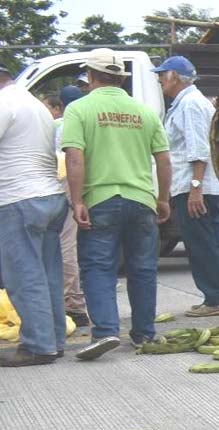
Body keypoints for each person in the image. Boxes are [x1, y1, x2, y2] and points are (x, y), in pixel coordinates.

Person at [62, 49, 172, 360]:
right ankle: (144, 333)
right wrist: (162, 198)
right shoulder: (144, 112)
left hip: (101, 200)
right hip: (141, 200)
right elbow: (163, 160)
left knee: (98, 268)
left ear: (91, 76)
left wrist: (78, 199)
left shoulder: (79, 109)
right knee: (143, 270)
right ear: (121, 79)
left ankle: (106, 332)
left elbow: (74, 157)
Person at [152, 56, 219, 317]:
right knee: (206, 242)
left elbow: (199, 149)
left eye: (162, 75)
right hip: (194, 186)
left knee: (203, 244)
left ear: (174, 76)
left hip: (196, 187)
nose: (160, 80)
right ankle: (215, 296)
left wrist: (195, 187)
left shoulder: (191, 105)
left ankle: (216, 299)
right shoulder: (188, 103)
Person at [0, 63, 68, 367]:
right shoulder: (33, 103)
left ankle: (38, 346)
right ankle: (54, 340)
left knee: (24, 276)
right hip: (50, 197)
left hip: (19, 199)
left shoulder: (4, 103)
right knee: (48, 274)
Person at [43, 85, 89, 328]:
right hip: (76, 185)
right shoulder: (82, 119)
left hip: (65, 185)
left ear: (59, 106)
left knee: (65, 244)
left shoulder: (61, 125)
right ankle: (73, 300)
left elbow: (70, 159)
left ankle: (73, 303)